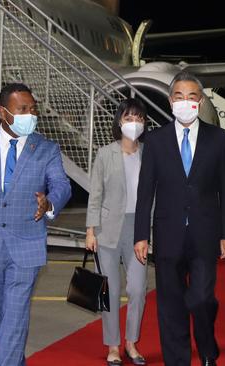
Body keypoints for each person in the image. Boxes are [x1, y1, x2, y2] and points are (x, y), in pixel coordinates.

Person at [0, 83, 72, 365]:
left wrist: (50, 203)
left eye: (33, 109)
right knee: (2, 319)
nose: (31, 114)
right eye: (23, 109)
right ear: (3, 113)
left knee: (16, 314)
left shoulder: (46, 149)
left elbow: (61, 184)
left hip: (27, 245)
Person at [133, 71, 225, 366]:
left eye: (192, 97)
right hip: (167, 234)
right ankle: (177, 360)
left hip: (205, 234)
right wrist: (141, 235)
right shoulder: (155, 140)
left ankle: (206, 346)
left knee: (202, 298)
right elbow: (145, 191)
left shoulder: (219, 139)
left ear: (200, 101)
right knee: (170, 305)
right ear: (170, 101)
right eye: (179, 97)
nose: (185, 102)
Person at [86, 98, 149, 365]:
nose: (133, 123)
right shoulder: (105, 154)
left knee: (137, 289)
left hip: (139, 229)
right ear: (119, 121)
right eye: (128, 117)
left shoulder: (150, 153)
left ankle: (131, 343)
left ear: (144, 123)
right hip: (108, 229)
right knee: (109, 291)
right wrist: (90, 230)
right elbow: (95, 194)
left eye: (138, 118)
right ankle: (113, 346)